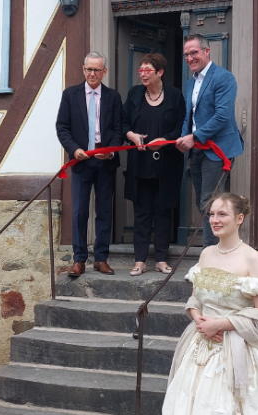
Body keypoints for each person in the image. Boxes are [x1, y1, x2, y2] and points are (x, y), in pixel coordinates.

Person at [162, 193, 258, 415]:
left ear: (239, 218)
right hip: (200, 340)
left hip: (237, 345)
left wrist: (220, 324)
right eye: (212, 214)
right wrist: (197, 318)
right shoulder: (206, 254)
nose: (215, 220)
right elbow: (195, 299)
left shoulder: (252, 258)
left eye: (222, 214)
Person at [57, 52, 123, 277]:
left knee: (104, 211)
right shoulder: (70, 95)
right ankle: (79, 259)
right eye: (89, 69)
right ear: (83, 69)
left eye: (97, 70)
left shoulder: (113, 97)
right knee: (79, 212)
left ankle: (101, 258)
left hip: (105, 163)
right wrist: (74, 149)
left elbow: (117, 129)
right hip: (81, 162)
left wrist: (111, 150)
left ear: (104, 72)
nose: (92, 74)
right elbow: (62, 127)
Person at [175, 34, 244, 247]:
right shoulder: (190, 83)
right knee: (203, 204)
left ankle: (212, 259)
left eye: (194, 52)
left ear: (207, 51)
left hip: (217, 150)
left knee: (211, 204)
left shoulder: (223, 77)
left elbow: (222, 116)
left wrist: (194, 137)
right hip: (196, 150)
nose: (189, 58)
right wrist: (182, 137)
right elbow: (190, 115)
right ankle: (215, 253)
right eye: (186, 54)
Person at [120, 53, 186, 276]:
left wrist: (164, 141)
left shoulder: (175, 96)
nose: (143, 74)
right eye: (141, 70)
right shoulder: (135, 94)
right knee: (141, 212)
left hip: (167, 163)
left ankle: (160, 258)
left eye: (147, 70)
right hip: (141, 163)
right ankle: (139, 260)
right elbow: (123, 122)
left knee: (163, 210)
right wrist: (131, 135)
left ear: (160, 72)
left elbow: (181, 127)